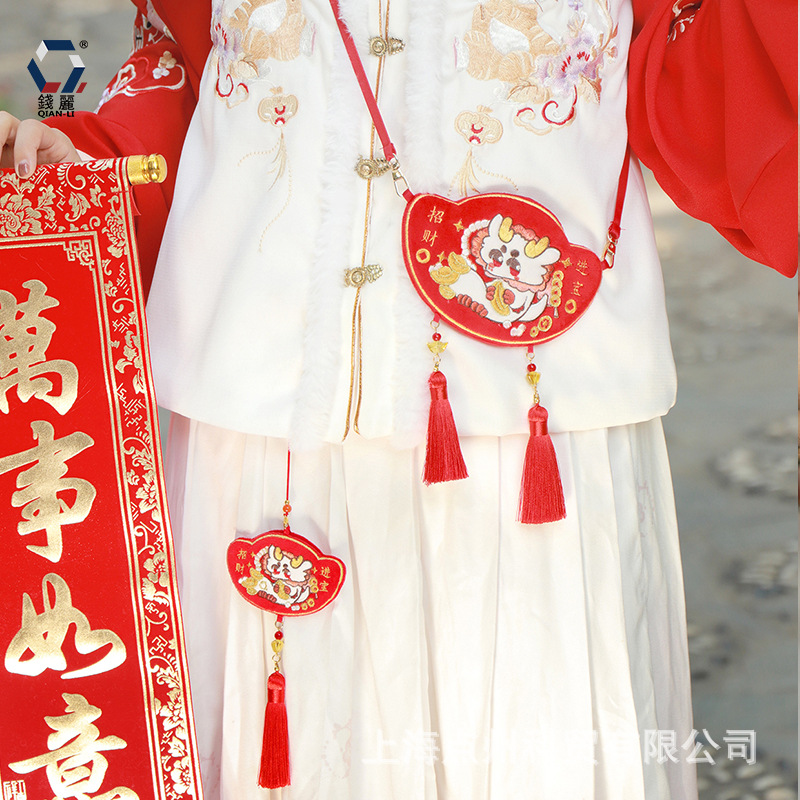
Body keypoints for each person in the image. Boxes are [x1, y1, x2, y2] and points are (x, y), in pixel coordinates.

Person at [0, 1, 795, 798]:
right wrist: (83, 166)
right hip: (265, 415)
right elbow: (190, 64)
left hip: (527, 432)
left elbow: (708, 78)